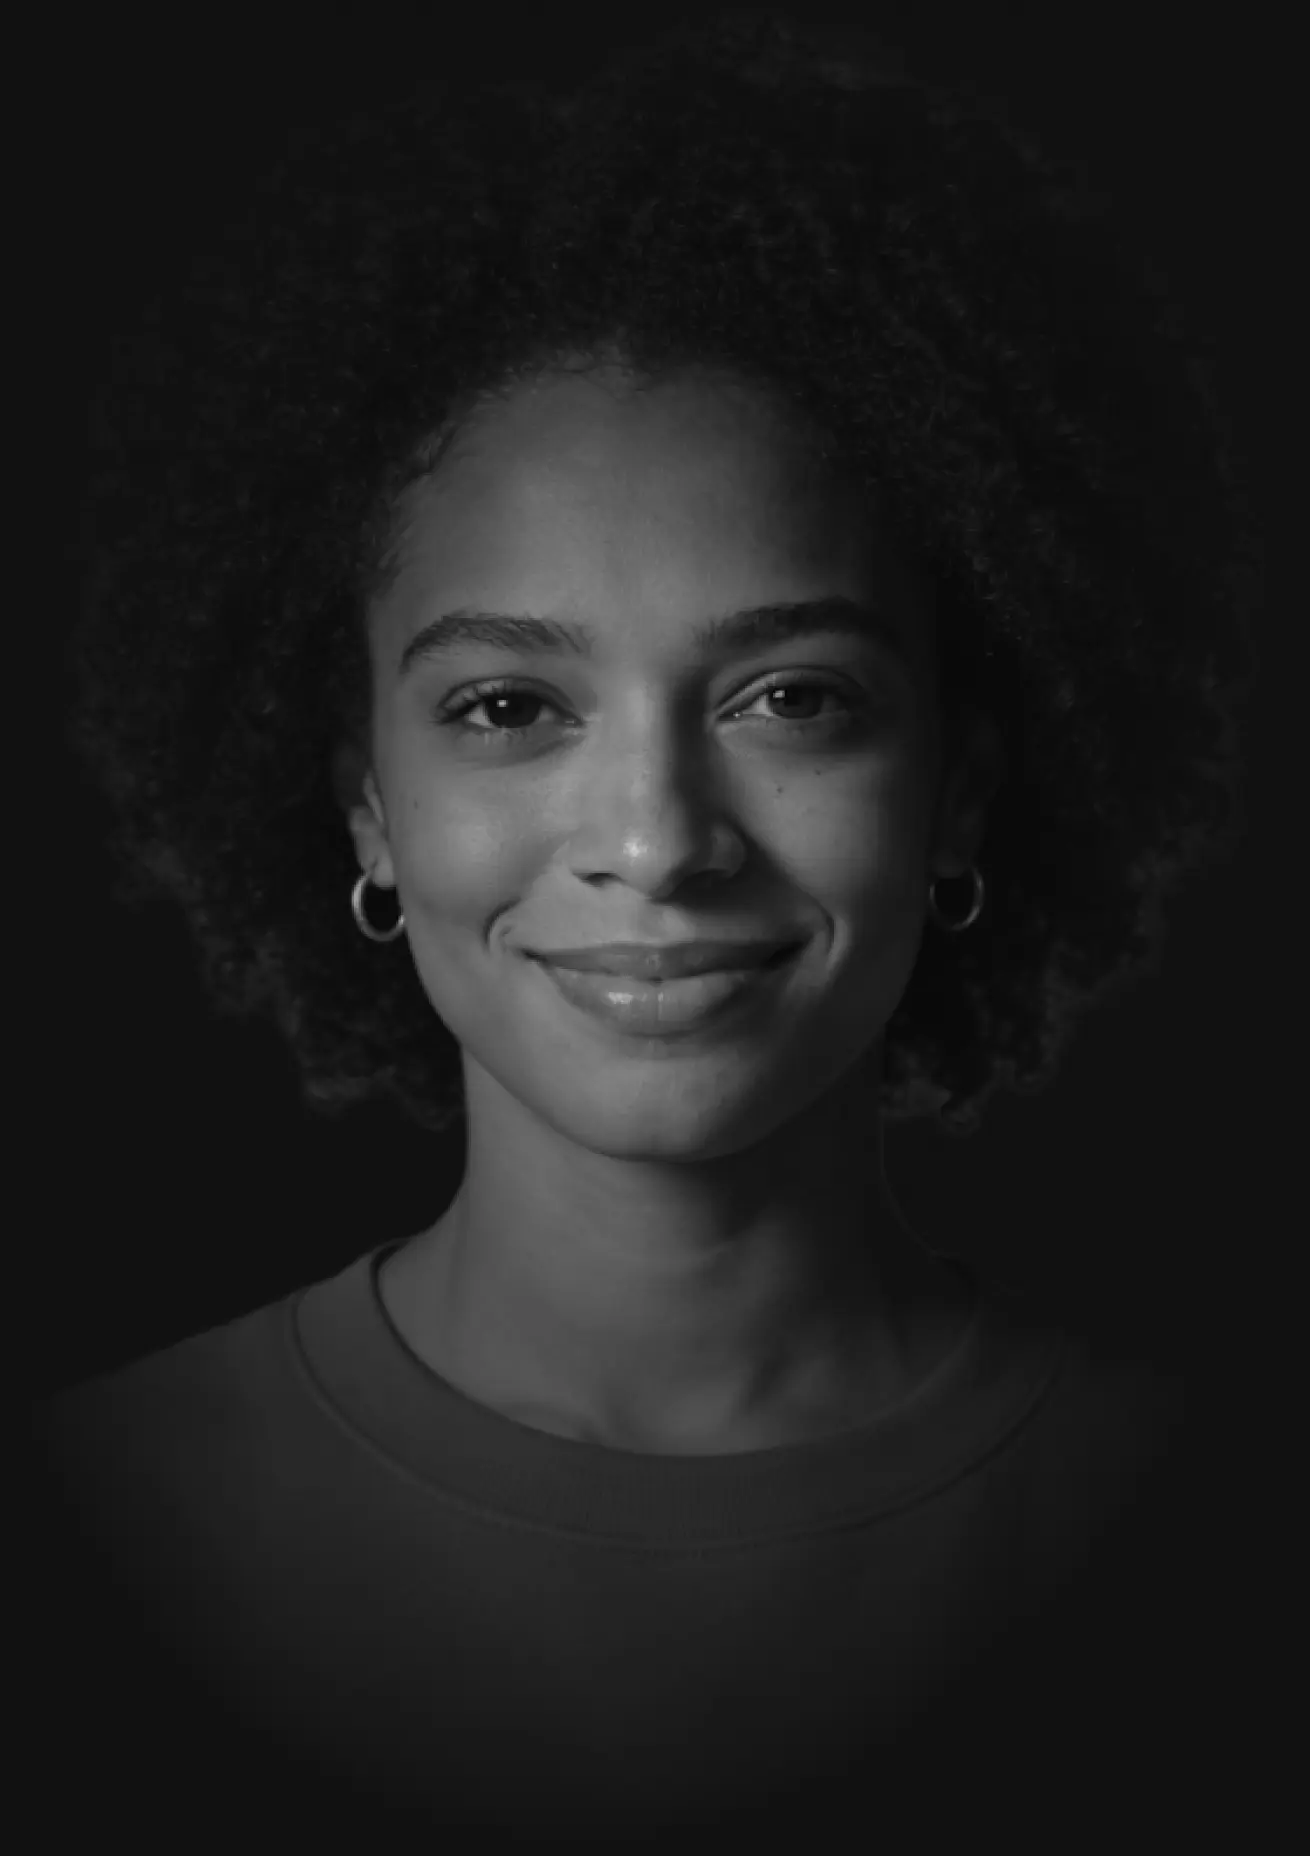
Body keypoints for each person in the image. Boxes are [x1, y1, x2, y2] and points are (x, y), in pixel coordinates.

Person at [31, 10, 1256, 1844]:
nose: (658, 840)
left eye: (790, 698)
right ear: (364, 801)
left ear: (964, 789)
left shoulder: (1233, 1538)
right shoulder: (70, 1531)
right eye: (509, 709)